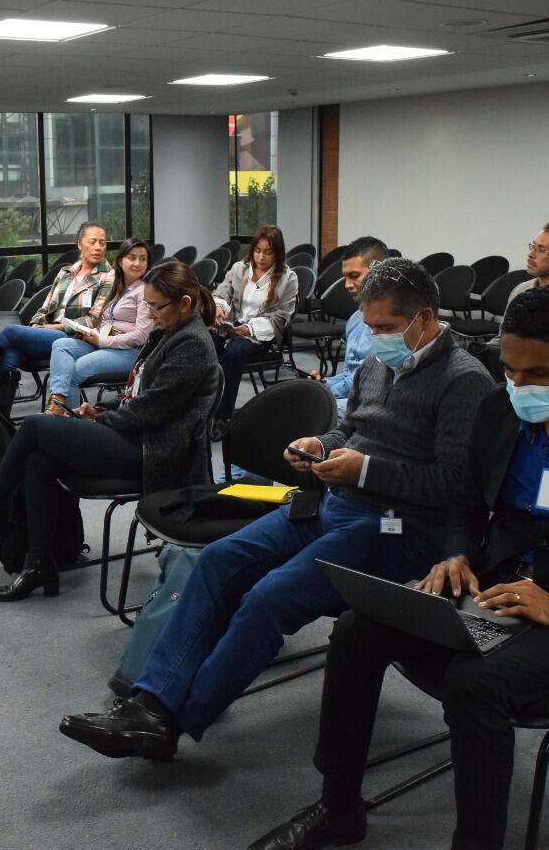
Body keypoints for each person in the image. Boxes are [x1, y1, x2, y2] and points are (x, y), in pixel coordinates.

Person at [251, 284, 549, 850]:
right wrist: (456, 552)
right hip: (496, 588)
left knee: (474, 685)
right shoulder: (499, 408)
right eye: (512, 371)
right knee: (357, 630)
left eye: (540, 375)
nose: (521, 388)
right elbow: (466, 505)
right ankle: (339, 805)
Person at [58, 258, 493, 758]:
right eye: (370, 326)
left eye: (388, 328)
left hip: (399, 525)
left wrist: (363, 471)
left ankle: (173, 719)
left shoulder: (463, 379)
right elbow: (352, 431)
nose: (376, 337)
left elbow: (456, 483)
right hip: (336, 504)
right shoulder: (381, 361)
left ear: (426, 316)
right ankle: (150, 703)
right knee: (218, 561)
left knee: (269, 598)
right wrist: (321, 445)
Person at [0, 261, 221, 601]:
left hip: (157, 452)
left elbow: (150, 412)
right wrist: (101, 409)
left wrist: (98, 420)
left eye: (155, 306)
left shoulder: (191, 343)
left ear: (185, 303)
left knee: (37, 425)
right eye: (146, 304)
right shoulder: (169, 332)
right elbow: (142, 399)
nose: (149, 313)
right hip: (138, 436)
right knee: (39, 460)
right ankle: (37, 564)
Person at [0, 222, 113, 417]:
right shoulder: (66, 272)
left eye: (102, 243)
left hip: (74, 339)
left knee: (11, 333)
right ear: (79, 244)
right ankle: (1, 422)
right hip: (48, 334)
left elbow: (93, 321)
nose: (98, 247)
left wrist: (52, 328)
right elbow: (45, 307)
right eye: (93, 242)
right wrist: (37, 324)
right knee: (10, 354)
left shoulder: (108, 277)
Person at [45, 237, 153, 415]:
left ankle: (71, 423)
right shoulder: (117, 286)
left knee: (73, 371)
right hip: (106, 341)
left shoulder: (144, 291)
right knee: (60, 345)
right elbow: (107, 321)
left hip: (131, 352)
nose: (137, 263)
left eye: (143, 259)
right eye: (132, 258)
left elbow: (141, 336)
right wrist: (90, 332)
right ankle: (58, 402)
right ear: (120, 260)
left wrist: (102, 340)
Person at [209, 224, 298, 440]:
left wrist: (246, 329)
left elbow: (280, 317)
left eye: (268, 252)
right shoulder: (240, 268)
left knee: (234, 353)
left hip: (260, 333)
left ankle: (223, 414)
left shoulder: (288, 277)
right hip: (231, 325)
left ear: (277, 253)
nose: (261, 257)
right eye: (257, 251)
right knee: (206, 343)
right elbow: (223, 291)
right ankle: (202, 406)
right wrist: (219, 307)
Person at [312, 236, 386, 421]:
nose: (347, 285)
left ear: (378, 272)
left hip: (376, 403)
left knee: (311, 412)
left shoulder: (392, 324)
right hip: (353, 396)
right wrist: (325, 382)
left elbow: (370, 380)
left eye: (354, 276)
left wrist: (329, 389)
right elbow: (350, 372)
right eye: (345, 277)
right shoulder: (355, 319)